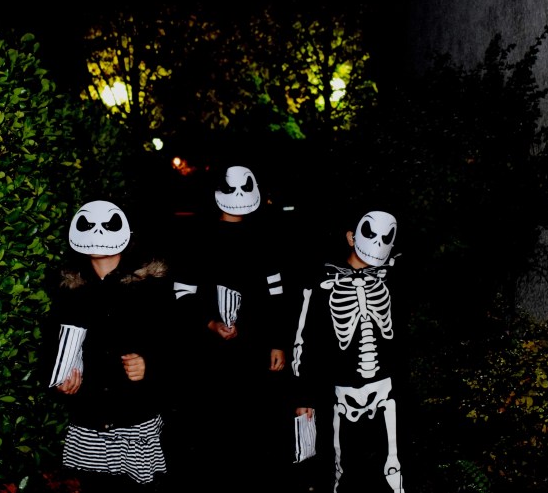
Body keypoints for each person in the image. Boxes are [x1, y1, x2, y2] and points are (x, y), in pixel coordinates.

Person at [170, 164, 294, 493]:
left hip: (254, 354)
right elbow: (182, 292)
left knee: (252, 432)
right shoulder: (198, 238)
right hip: (208, 357)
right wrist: (209, 323)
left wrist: (277, 342)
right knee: (212, 432)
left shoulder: (264, 239)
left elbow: (277, 295)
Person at [45, 199, 175, 493]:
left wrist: (150, 363)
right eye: (89, 225)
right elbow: (56, 344)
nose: (98, 232)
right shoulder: (70, 289)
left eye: (107, 224)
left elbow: (174, 339)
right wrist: (59, 380)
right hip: (90, 415)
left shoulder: (150, 287)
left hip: (134, 412)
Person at [290, 208, 409, 493]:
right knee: (339, 470)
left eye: (386, 238)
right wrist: (304, 395)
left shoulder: (391, 279)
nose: (378, 243)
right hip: (338, 390)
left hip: (387, 388)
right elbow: (305, 337)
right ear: (351, 237)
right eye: (371, 234)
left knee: (393, 467)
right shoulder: (321, 282)